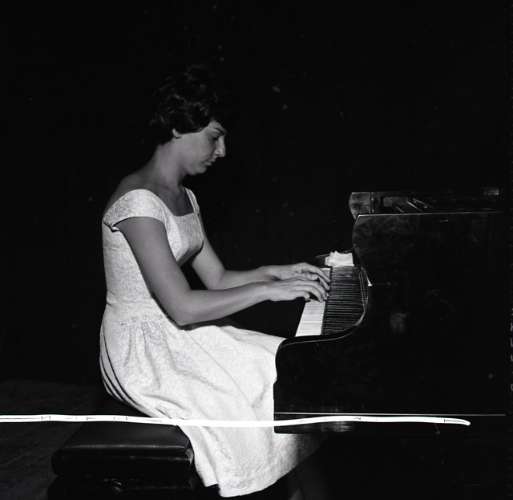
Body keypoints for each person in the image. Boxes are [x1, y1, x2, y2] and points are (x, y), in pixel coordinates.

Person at [99, 64, 331, 499]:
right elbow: (183, 306)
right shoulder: (137, 202)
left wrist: (276, 272)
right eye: (214, 136)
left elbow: (218, 278)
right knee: (241, 400)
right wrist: (267, 291)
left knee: (288, 367)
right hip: (140, 347)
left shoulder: (185, 196)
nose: (222, 151)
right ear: (176, 127)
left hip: (176, 329)